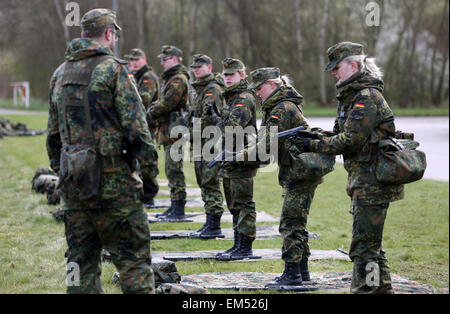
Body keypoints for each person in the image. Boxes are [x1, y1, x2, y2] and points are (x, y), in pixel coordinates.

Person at [46, 8, 158, 294]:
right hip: (116, 189)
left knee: (79, 268)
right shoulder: (115, 70)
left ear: (84, 34)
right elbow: (138, 131)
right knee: (134, 265)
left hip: (75, 191)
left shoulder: (59, 75)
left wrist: (66, 174)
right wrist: (149, 178)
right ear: (110, 34)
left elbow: (53, 139)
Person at [288, 42, 404, 293]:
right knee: (370, 245)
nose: (333, 73)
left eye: (336, 67)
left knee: (364, 248)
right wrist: (313, 137)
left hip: (373, 180)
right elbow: (341, 133)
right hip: (363, 180)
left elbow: (351, 140)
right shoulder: (351, 96)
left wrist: (314, 145)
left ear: (353, 65)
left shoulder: (366, 97)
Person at [239, 67, 323, 287]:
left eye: (259, 88)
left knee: (290, 224)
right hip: (299, 171)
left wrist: (237, 157)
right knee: (297, 223)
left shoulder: (281, 109)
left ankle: (292, 274)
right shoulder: (277, 107)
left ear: (273, 85)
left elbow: (264, 148)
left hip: (300, 173)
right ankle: (302, 272)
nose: (257, 93)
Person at [215, 58, 258, 260]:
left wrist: (220, 121)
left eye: (232, 74)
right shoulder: (231, 98)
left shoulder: (244, 97)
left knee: (243, 203)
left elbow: (234, 125)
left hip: (241, 157)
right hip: (230, 157)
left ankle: (245, 246)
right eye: (225, 75)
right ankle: (237, 244)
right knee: (233, 204)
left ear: (242, 75)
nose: (228, 78)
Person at [148, 45, 190, 219]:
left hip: (175, 132)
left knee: (174, 170)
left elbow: (167, 103)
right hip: (170, 131)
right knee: (171, 170)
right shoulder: (170, 78)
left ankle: (178, 208)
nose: (162, 63)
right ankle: (174, 206)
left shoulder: (177, 79)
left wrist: (151, 111)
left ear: (175, 59)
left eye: (165, 59)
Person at [189, 54, 226, 238]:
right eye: (194, 67)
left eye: (200, 66)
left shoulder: (213, 90)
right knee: (203, 182)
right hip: (200, 142)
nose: (196, 69)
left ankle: (214, 226)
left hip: (210, 144)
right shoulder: (201, 89)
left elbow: (211, 120)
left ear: (210, 68)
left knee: (210, 183)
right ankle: (209, 223)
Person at [124, 48, 160, 207]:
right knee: (138, 159)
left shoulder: (147, 77)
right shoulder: (136, 76)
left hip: (147, 124)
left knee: (145, 159)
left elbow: (144, 99)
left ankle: (148, 195)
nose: (133, 63)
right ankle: (142, 193)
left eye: (136, 60)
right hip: (139, 123)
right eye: (131, 61)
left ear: (144, 60)